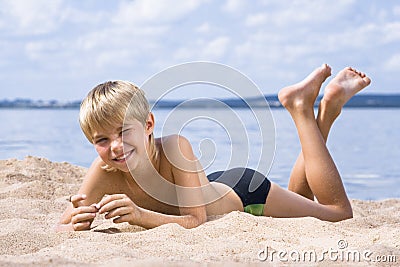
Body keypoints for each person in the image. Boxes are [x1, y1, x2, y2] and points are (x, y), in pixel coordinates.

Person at [56, 64, 371, 231]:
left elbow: (196, 221)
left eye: (124, 132)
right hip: (212, 184)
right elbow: (62, 228)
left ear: (149, 125)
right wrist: (75, 223)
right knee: (302, 200)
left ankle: (301, 110)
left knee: (337, 215)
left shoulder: (176, 148)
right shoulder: (104, 169)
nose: (115, 147)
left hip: (246, 195)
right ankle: (325, 113)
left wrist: (139, 215)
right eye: (101, 140)